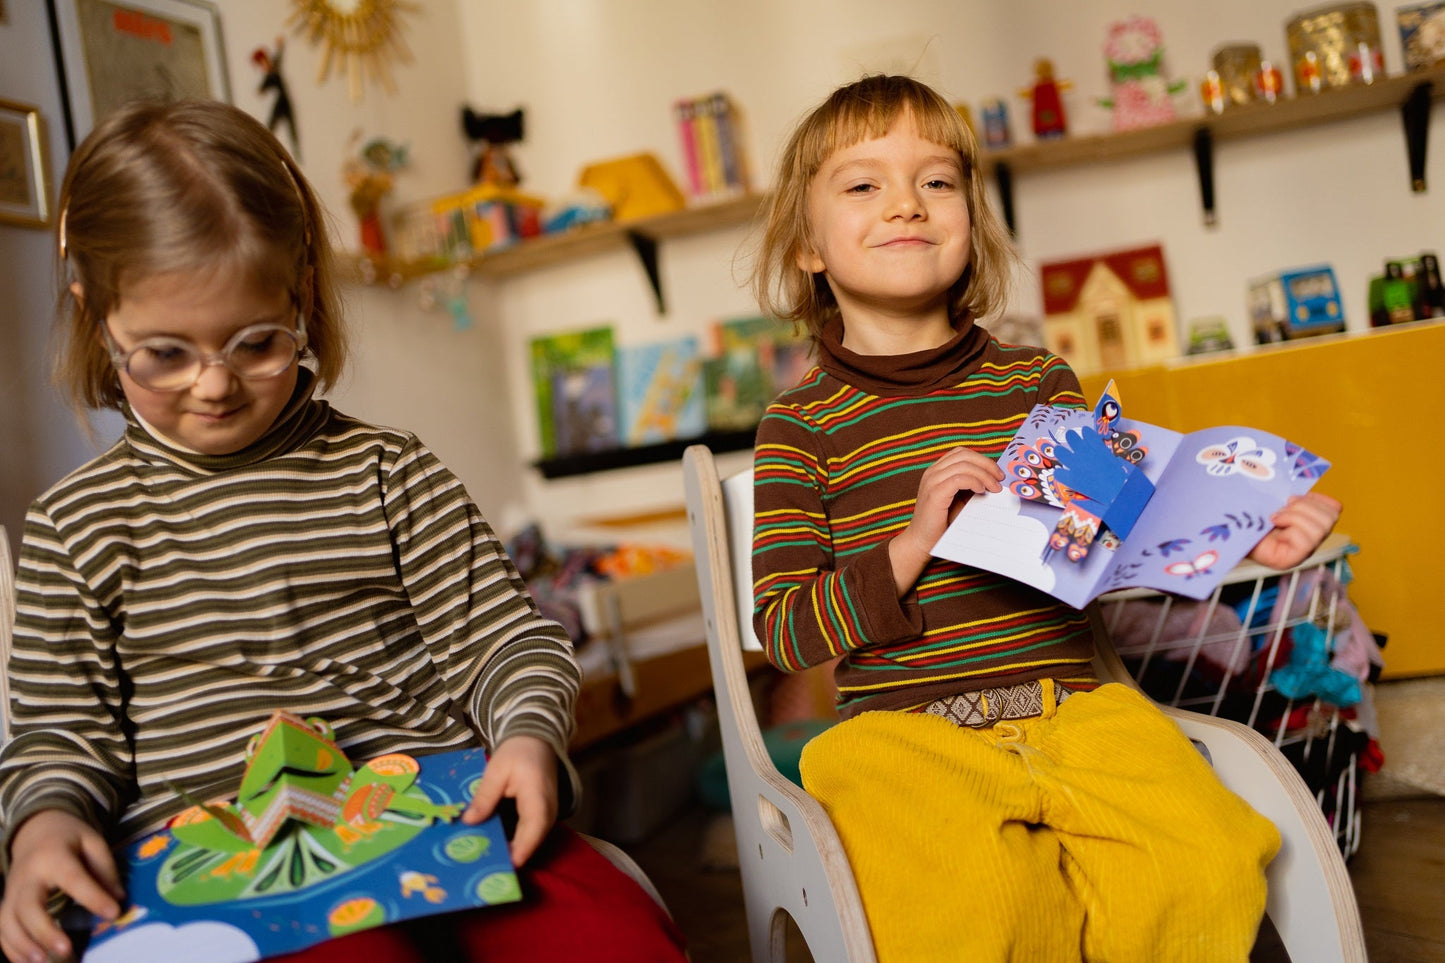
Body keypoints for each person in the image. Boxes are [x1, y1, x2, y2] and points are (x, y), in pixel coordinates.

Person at [0, 98, 685, 963]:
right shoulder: (73, 525)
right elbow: (60, 732)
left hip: (440, 824)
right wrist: (46, 826)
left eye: (255, 342)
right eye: (165, 353)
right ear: (96, 313)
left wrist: (523, 733)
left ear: (302, 298)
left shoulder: (387, 471)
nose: (213, 386)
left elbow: (505, 641)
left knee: (606, 938)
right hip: (215, 874)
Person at [746, 74, 1342, 963]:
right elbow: (784, 630)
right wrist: (911, 544)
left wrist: (1247, 530)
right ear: (806, 245)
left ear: (971, 221)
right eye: (863, 183)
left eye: (937, 181)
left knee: (1209, 864)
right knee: (981, 911)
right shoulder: (799, 427)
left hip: (1081, 711)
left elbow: (1119, 532)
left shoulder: (1035, 384)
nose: (906, 202)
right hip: (900, 740)